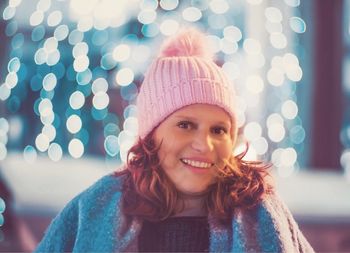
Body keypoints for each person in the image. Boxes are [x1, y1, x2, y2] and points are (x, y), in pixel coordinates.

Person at [35, 28, 314, 252]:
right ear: (151, 134)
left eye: (218, 130)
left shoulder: (262, 212)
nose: (204, 145)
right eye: (185, 125)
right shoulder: (94, 208)